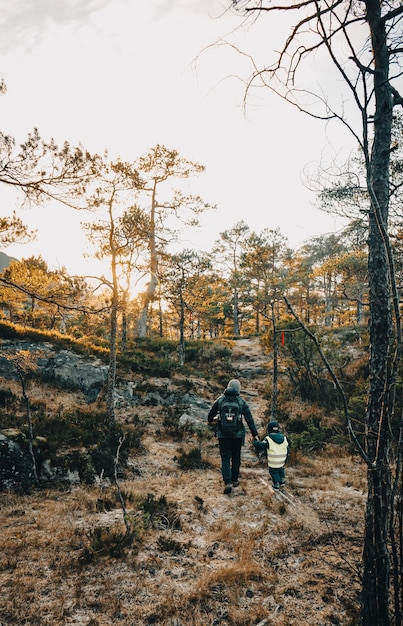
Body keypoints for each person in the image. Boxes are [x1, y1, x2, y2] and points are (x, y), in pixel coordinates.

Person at [208, 378, 259, 494]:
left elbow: (210, 416)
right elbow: (249, 419)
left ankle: (228, 482)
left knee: (225, 457)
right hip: (238, 435)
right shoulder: (241, 402)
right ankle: (235, 479)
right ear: (239, 389)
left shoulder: (220, 400)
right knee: (236, 456)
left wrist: (214, 419)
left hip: (223, 434)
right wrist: (255, 434)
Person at [253, 420, 289, 489]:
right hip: (282, 460)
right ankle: (282, 480)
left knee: (273, 471)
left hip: (273, 460)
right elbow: (287, 448)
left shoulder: (268, 439)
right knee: (280, 469)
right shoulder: (284, 438)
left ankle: (277, 483)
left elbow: (261, 445)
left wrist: (255, 442)